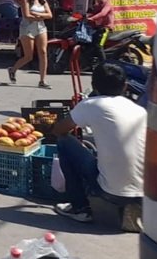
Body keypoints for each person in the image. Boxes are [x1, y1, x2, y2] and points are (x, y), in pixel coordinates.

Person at [51, 63, 146, 223]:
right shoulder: (139, 110)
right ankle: (133, 205)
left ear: (94, 86)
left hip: (111, 192)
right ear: (125, 87)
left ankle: (80, 208)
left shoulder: (91, 104)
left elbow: (59, 130)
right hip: (146, 193)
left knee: (64, 142)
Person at [8, 0, 53, 88]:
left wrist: (37, 15)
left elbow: (50, 15)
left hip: (41, 27)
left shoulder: (43, 0)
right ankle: (13, 69)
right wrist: (39, 16)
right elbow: (27, 15)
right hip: (27, 28)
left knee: (43, 52)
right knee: (29, 56)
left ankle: (42, 80)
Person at [85, 0, 115, 66]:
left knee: (98, 46)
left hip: (106, 28)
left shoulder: (107, 4)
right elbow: (93, 13)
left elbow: (103, 13)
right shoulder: (97, 5)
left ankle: (104, 65)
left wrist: (92, 18)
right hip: (98, 27)